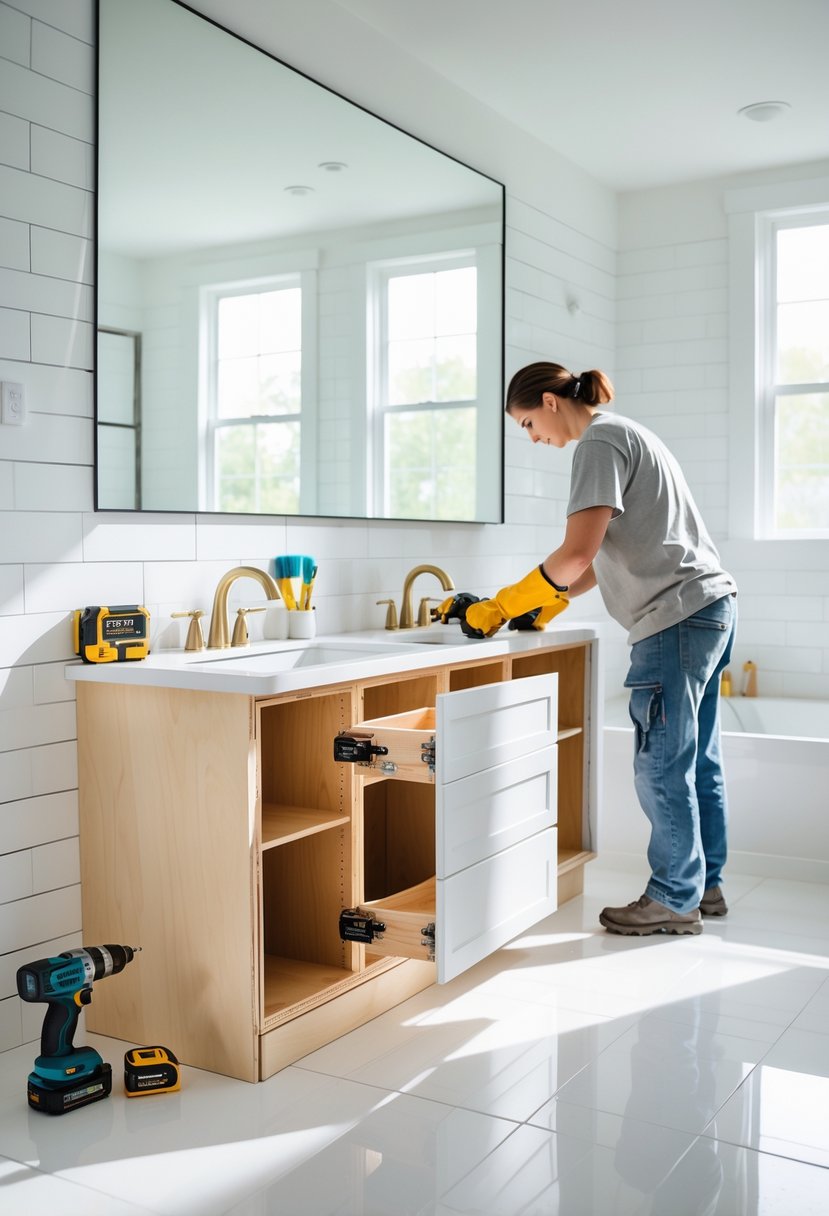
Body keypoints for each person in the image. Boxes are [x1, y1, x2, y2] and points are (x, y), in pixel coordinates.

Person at [463, 361, 737, 936]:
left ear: (550, 402)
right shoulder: (630, 432)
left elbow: (576, 553)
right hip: (709, 607)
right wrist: (552, 600)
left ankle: (672, 897)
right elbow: (603, 556)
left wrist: (504, 605)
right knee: (695, 760)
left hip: (674, 618)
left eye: (528, 424)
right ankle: (703, 885)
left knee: (661, 766)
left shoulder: (598, 443)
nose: (534, 438)